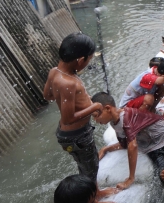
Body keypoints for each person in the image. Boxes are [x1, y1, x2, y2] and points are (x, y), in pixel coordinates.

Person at [43, 33, 117, 199]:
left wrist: (73, 99)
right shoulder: (68, 82)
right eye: (89, 59)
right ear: (80, 60)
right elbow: (69, 118)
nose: (88, 63)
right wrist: (94, 107)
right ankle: (95, 196)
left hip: (67, 135)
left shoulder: (55, 72)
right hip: (78, 135)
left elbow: (47, 96)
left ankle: (90, 192)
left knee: (84, 164)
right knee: (91, 167)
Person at [93, 92, 164, 190]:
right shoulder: (114, 123)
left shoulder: (126, 117)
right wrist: (106, 149)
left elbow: (133, 145)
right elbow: (125, 144)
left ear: (108, 109)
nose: (95, 120)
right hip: (154, 146)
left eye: (96, 115)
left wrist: (131, 178)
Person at [118, 44, 164, 119]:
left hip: (140, 105)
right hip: (126, 109)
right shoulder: (147, 77)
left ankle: (151, 111)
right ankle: (139, 120)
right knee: (149, 98)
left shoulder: (158, 72)